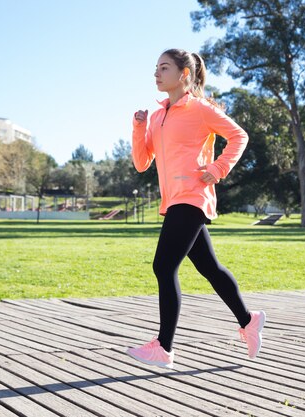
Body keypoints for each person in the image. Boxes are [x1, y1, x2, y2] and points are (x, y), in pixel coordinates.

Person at [126, 48, 266, 369]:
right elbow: (141, 163)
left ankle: (164, 347)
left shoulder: (200, 109)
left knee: (163, 267)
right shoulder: (158, 116)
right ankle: (249, 320)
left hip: (192, 197)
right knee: (209, 268)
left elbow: (239, 136)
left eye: (164, 68)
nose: (156, 73)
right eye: (156, 68)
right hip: (173, 200)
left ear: (184, 75)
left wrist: (217, 169)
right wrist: (138, 128)